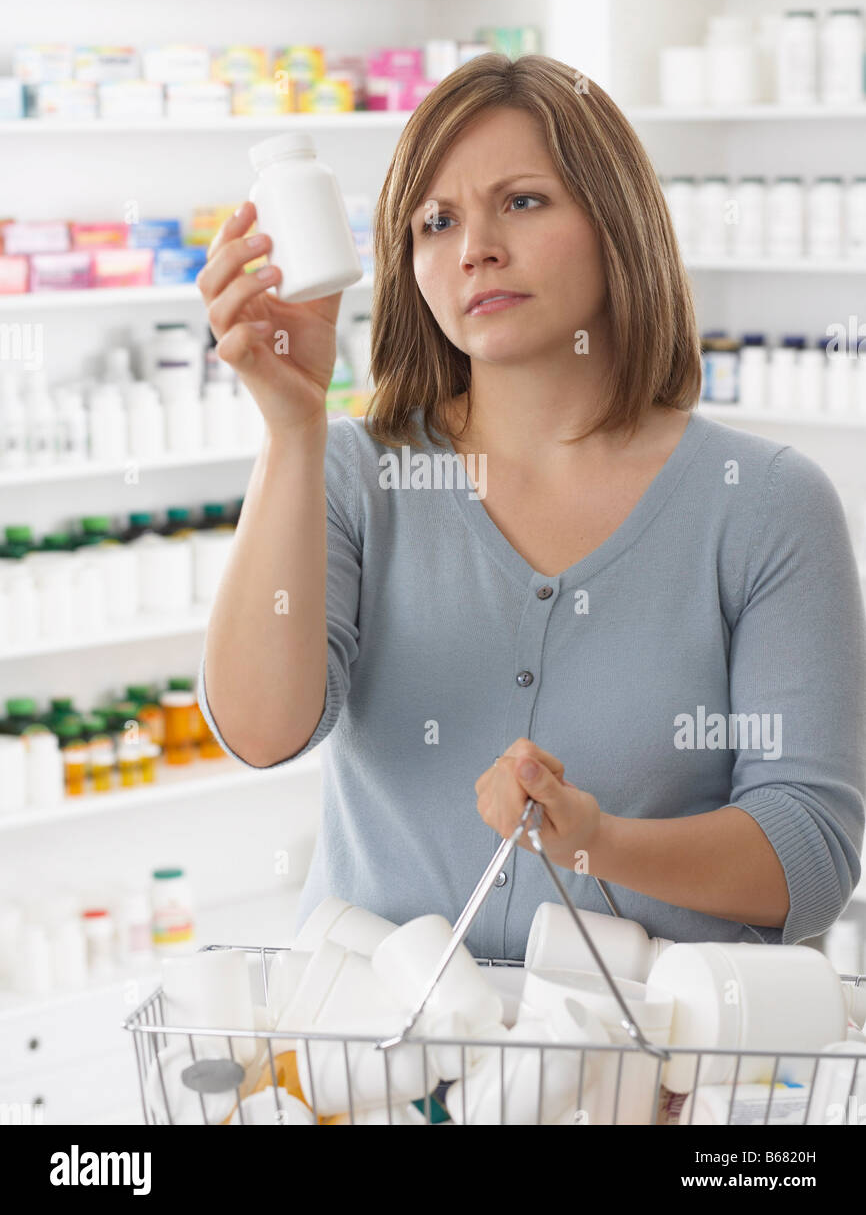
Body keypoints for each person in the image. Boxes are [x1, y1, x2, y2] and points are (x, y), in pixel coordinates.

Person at [196, 53, 866, 960]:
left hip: (646, 1080)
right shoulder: (355, 474)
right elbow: (262, 732)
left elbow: (812, 857)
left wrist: (597, 841)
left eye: (522, 201)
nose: (475, 247)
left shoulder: (764, 504)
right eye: (436, 221)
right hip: (377, 1076)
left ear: (615, 222)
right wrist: (292, 426)